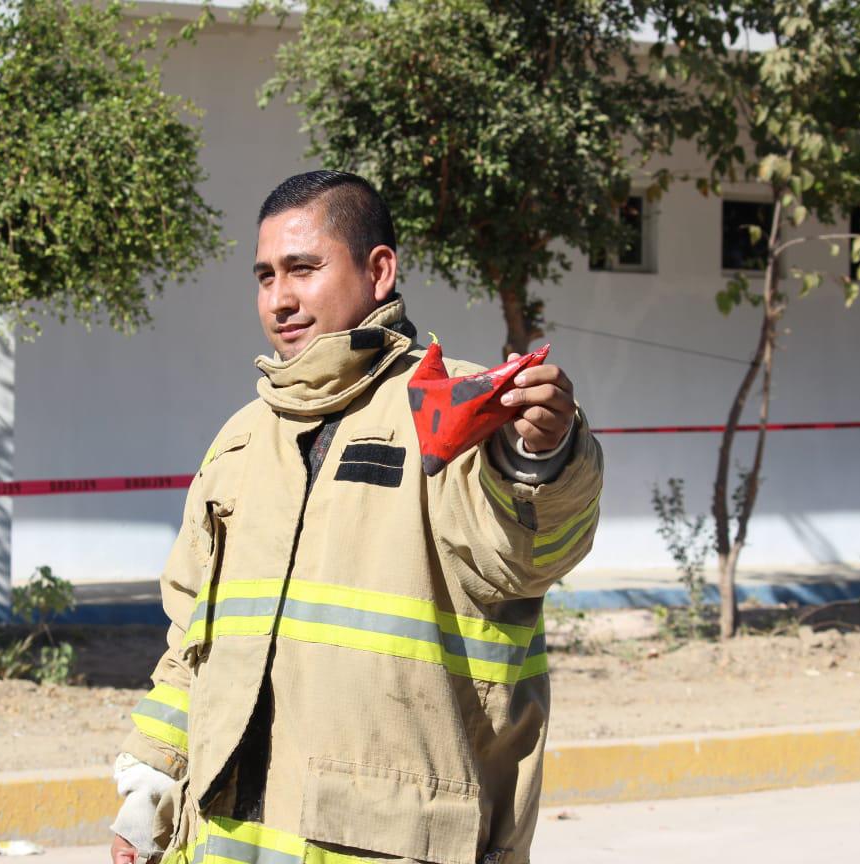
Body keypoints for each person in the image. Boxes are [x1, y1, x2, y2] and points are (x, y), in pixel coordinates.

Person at [109, 171, 603, 864]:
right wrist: (152, 786)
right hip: (225, 844)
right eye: (265, 276)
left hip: (392, 843)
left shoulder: (453, 411)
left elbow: (532, 551)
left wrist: (543, 454)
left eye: (304, 269)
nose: (280, 298)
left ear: (378, 271)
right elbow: (192, 639)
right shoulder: (243, 440)